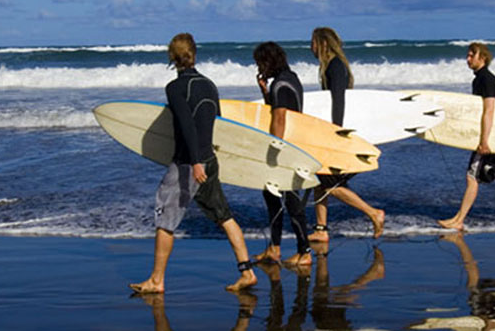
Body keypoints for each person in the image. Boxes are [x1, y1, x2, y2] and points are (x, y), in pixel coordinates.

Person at [129, 33, 257, 294]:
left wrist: (195, 162)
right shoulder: (209, 84)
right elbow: (217, 121)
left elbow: (187, 124)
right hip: (209, 159)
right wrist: (206, 160)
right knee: (224, 215)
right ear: (194, 54)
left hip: (188, 164)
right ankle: (247, 271)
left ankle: (156, 280)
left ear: (172, 57)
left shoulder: (175, 88)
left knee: (165, 218)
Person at [438, 42, 495, 231]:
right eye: (468, 55)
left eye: (472, 55)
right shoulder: (480, 79)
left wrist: (484, 141)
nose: (468, 58)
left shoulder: (486, 79)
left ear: (483, 58)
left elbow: (489, 111)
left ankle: (459, 220)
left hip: (489, 137)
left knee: (472, 177)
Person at [306, 27, 385, 242]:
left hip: (338, 134)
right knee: (319, 179)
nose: (310, 47)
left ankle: (373, 213)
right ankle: (321, 229)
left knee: (330, 184)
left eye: (313, 42)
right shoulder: (331, 67)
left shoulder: (335, 67)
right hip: (334, 131)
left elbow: (338, 100)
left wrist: (335, 133)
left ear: (323, 44)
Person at [251, 41, 313, 266]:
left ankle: (304, 252)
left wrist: (273, 151)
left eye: (260, 63)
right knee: (271, 195)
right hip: (294, 145)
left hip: (286, 150)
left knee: (291, 201)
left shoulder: (280, 85)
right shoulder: (291, 79)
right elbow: (283, 109)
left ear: (268, 62)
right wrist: (265, 93)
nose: (259, 67)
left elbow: (279, 119)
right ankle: (274, 248)